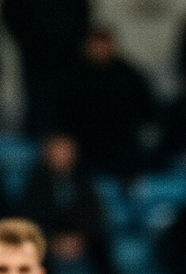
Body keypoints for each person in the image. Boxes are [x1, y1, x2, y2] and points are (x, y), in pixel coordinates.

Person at [0, 0, 92, 136]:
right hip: (34, 55)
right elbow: (7, 11)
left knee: (66, 102)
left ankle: (64, 147)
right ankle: (39, 148)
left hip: (67, 54)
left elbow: (84, 9)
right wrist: (26, 40)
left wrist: (74, 40)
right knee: (36, 104)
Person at [57, 26, 158, 180]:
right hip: (84, 145)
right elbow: (62, 112)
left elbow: (147, 109)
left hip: (121, 146)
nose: (100, 49)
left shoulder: (128, 74)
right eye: (96, 45)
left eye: (104, 44)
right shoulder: (72, 76)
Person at [19, 132, 107, 274]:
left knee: (103, 241)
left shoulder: (84, 179)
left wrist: (80, 238)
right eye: (58, 150)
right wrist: (55, 242)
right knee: (33, 244)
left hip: (80, 236)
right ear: (48, 153)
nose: (62, 155)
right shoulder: (35, 181)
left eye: (66, 150)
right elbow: (31, 217)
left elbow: (94, 212)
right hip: (49, 237)